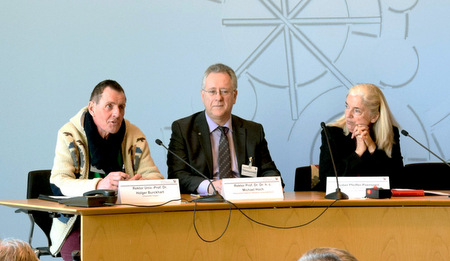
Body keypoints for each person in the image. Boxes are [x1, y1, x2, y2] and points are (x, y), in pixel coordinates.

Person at [49, 80, 163, 260]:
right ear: (92, 108)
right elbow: (59, 182)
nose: (117, 114)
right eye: (109, 106)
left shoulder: (134, 135)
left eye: (121, 107)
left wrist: (135, 186)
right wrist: (100, 184)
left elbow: (155, 177)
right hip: (78, 223)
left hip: (125, 219)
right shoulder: (69, 134)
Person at [167, 63, 282, 195]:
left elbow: (269, 171)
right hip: (204, 206)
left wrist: (273, 185)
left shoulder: (253, 131)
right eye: (212, 91)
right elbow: (177, 176)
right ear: (202, 95)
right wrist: (210, 186)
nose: (218, 98)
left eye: (224, 91)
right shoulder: (183, 130)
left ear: (235, 96)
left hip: (246, 203)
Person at [317, 83, 403, 191]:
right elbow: (327, 180)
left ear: (374, 117)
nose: (348, 115)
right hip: (336, 204)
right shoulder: (332, 133)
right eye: (347, 106)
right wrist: (358, 153)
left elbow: (398, 180)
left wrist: (372, 147)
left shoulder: (390, 133)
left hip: (376, 205)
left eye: (357, 110)